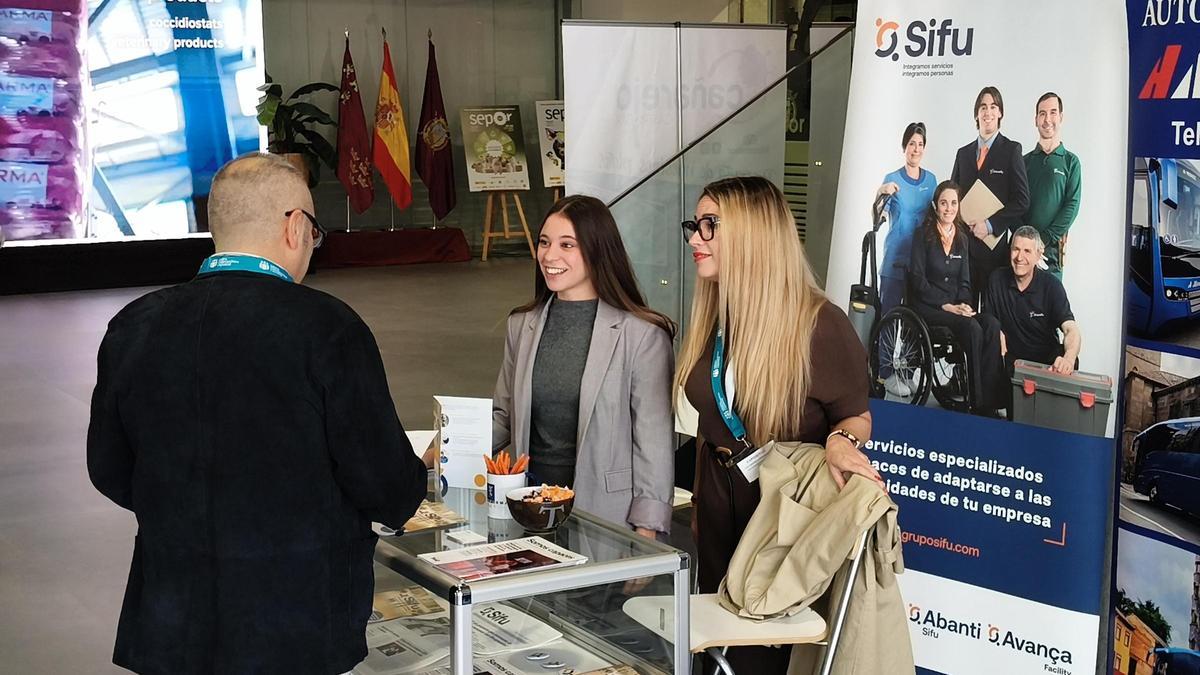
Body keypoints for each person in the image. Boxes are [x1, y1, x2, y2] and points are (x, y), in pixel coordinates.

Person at [87, 153, 428, 675]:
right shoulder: (326, 327)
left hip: (171, 613)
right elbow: (383, 479)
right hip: (296, 616)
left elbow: (109, 468)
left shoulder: (134, 324)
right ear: (295, 225)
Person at [676, 176, 882, 674]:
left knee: (758, 658)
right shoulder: (718, 314)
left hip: (777, 519)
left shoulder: (820, 325)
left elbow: (856, 414)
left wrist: (840, 440)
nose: (694, 239)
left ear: (755, 233)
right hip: (718, 506)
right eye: (694, 225)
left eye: (710, 226)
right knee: (715, 650)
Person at [491, 195, 676, 540]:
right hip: (529, 509)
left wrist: (647, 527)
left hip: (606, 515)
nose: (549, 256)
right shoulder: (522, 325)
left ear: (597, 251)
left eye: (567, 245)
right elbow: (503, 416)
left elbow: (653, 441)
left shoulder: (642, 335)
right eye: (544, 242)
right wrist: (444, 448)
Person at [908, 181, 1005, 415]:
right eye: (944, 203)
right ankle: (977, 403)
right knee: (971, 328)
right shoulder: (922, 235)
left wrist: (963, 305)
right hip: (928, 306)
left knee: (990, 324)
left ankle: (993, 400)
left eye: (953, 203)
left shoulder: (962, 238)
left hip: (955, 308)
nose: (949, 208)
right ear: (935, 206)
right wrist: (947, 306)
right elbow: (917, 281)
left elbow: (965, 281)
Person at [950, 86, 1030, 299]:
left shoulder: (1011, 150)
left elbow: (1022, 200)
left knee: (990, 321)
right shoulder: (963, 154)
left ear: (1000, 112)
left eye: (993, 106)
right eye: (983, 107)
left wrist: (990, 224)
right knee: (963, 316)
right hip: (963, 250)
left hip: (993, 254)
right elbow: (952, 197)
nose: (988, 112)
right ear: (976, 114)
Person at [876, 122, 938, 396]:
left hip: (921, 263)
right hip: (895, 259)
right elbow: (876, 218)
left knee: (915, 320)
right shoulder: (892, 178)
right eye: (911, 143)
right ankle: (885, 372)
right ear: (904, 147)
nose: (916, 149)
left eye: (920, 144)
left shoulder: (932, 181)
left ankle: (909, 372)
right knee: (889, 317)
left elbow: (938, 218)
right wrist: (880, 193)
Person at [985, 226, 1082, 376]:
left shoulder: (1052, 286)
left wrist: (1068, 359)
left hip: (1046, 364)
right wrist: (996, 332)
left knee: (1069, 359)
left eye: (1027, 251)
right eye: (1016, 249)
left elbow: (1071, 329)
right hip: (1010, 362)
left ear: (1038, 255)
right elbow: (989, 320)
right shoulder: (996, 279)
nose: (1019, 257)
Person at [1023, 92, 1081, 278]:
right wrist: (1026, 242)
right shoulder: (1023, 162)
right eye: (1042, 113)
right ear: (1035, 120)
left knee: (1050, 305)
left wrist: (1044, 239)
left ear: (1061, 117)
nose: (1047, 119)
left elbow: (1072, 205)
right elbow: (1014, 204)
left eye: (1053, 112)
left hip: (1052, 254)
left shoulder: (1071, 162)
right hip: (1022, 252)